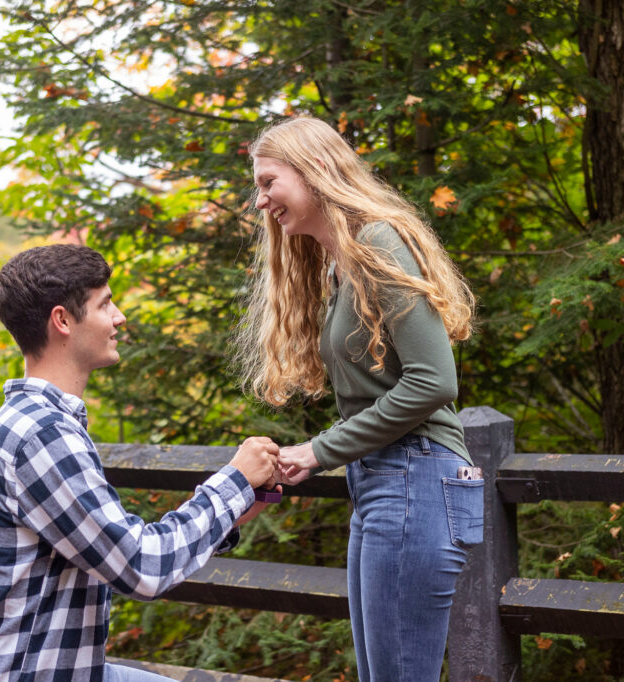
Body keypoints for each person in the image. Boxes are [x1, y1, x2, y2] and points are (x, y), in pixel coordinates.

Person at [0, 244, 281, 681]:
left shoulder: (39, 421)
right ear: (62, 321)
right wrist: (234, 482)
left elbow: (109, 547)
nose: (119, 317)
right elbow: (140, 567)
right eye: (105, 304)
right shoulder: (43, 434)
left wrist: (231, 513)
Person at [235, 116, 483, 681]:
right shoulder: (341, 264)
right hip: (385, 483)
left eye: (269, 181)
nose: (260, 200)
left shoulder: (377, 241)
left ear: (315, 168)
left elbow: (434, 381)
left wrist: (319, 450)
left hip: (415, 479)